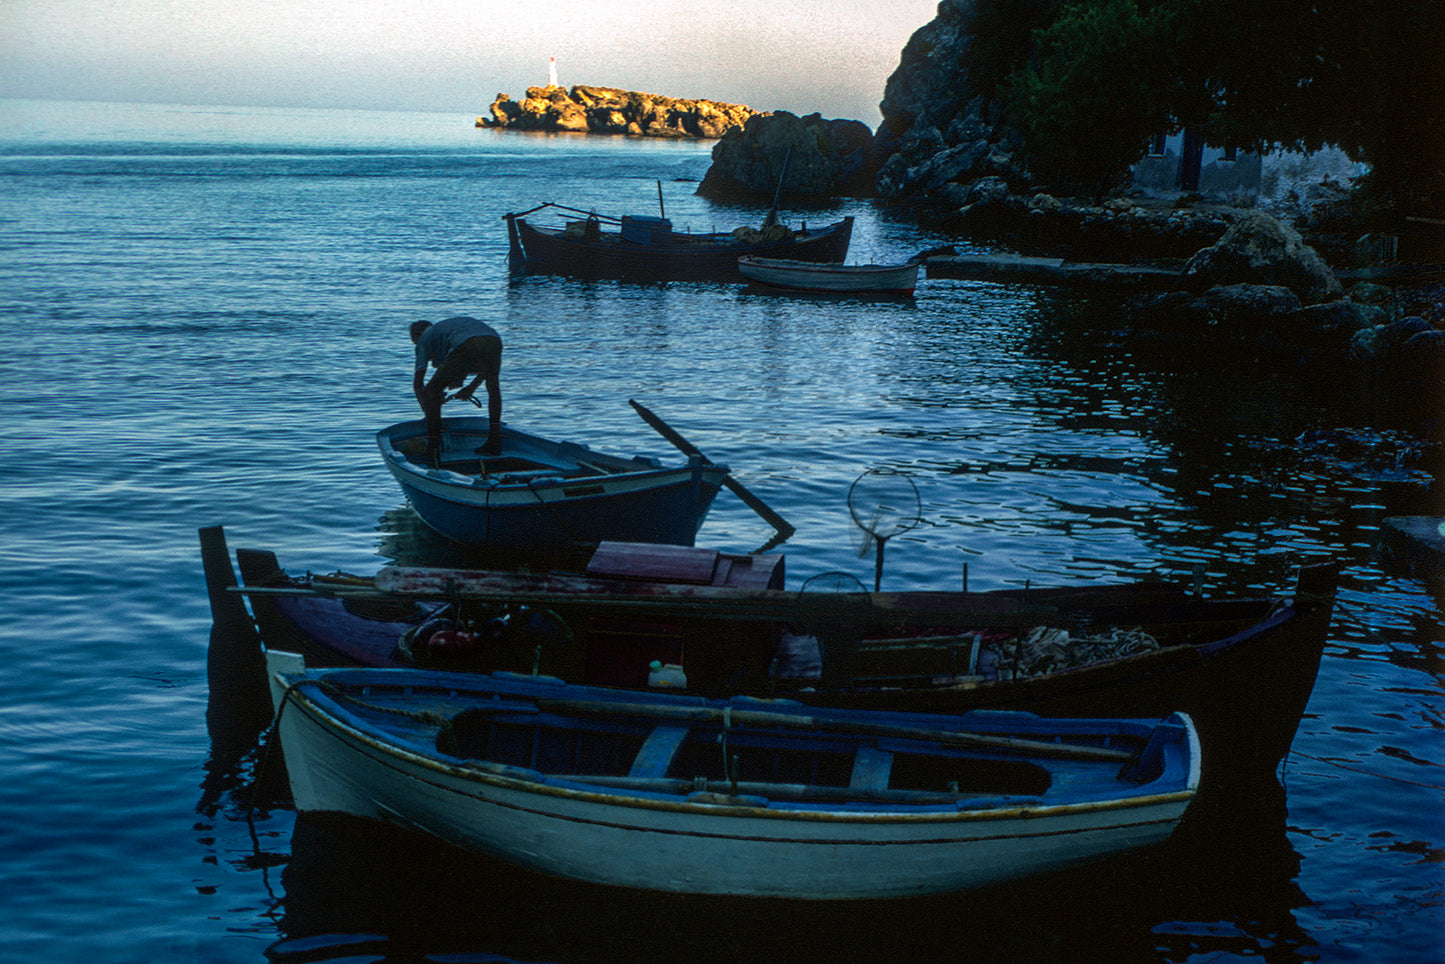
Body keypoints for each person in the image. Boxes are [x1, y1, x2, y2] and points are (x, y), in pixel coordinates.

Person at [410, 317, 503, 458]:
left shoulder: (423, 340)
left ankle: (433, 449)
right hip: (493, 339)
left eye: (414, 343)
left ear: (417, 336)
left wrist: (428, 410)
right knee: (493, 387)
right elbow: (482, 371)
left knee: (430, 392)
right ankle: (494, 442)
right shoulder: (446, 331)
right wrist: (470, 388)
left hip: (467, 344)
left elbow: (418, 384)